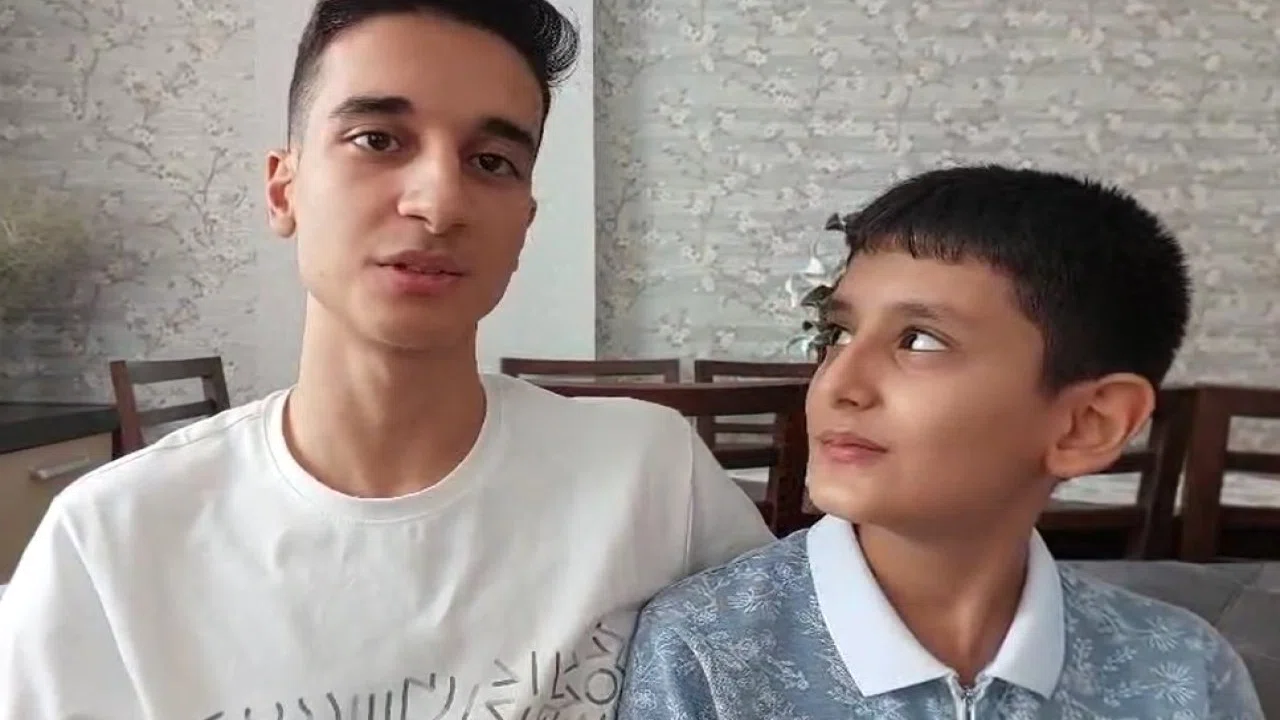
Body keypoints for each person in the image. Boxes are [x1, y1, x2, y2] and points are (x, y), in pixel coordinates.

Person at [0, 1, 773, 717]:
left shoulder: (651, 478)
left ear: (524, 223)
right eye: (377, 140)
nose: (438, 203)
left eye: (492, 162)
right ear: (283, 190)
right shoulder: (114, 539)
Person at [617, 165, 1265, 719]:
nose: (838, 383)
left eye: (920, 341)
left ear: (1087, 425)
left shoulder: (1183, 673)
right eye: (837, 335)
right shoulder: (707, 649)